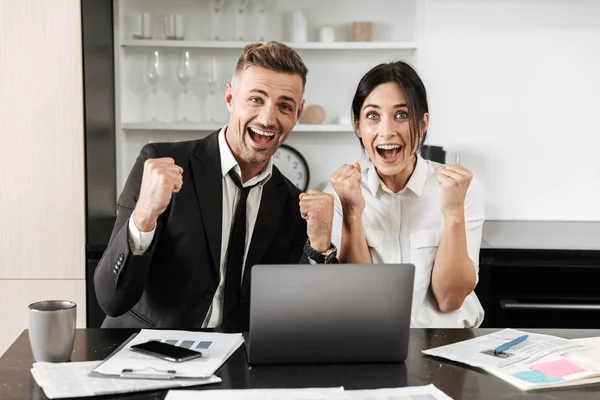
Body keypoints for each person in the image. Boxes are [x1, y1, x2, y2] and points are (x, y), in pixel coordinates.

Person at [95, 42, 336, 332]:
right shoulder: (159, 163)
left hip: (237, 362)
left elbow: (301, 317)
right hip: (145, 352)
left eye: (284, 106)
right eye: (256, 100)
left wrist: (320, 247)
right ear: (230, 97)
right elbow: (111, 299)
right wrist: (144, 218)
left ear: (297, 114)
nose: (268, 119)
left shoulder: (293, 205)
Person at [326, 61, 485, 328]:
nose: (387, 131)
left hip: (448, 345)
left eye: (402, 115)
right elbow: (358, 299)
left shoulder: (460, 188)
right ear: (357, 126)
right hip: (372, 342)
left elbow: (449, 299)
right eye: (373, 116)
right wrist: (352, 213)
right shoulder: (340, 193)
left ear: (423, 123)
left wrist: (453, 212)